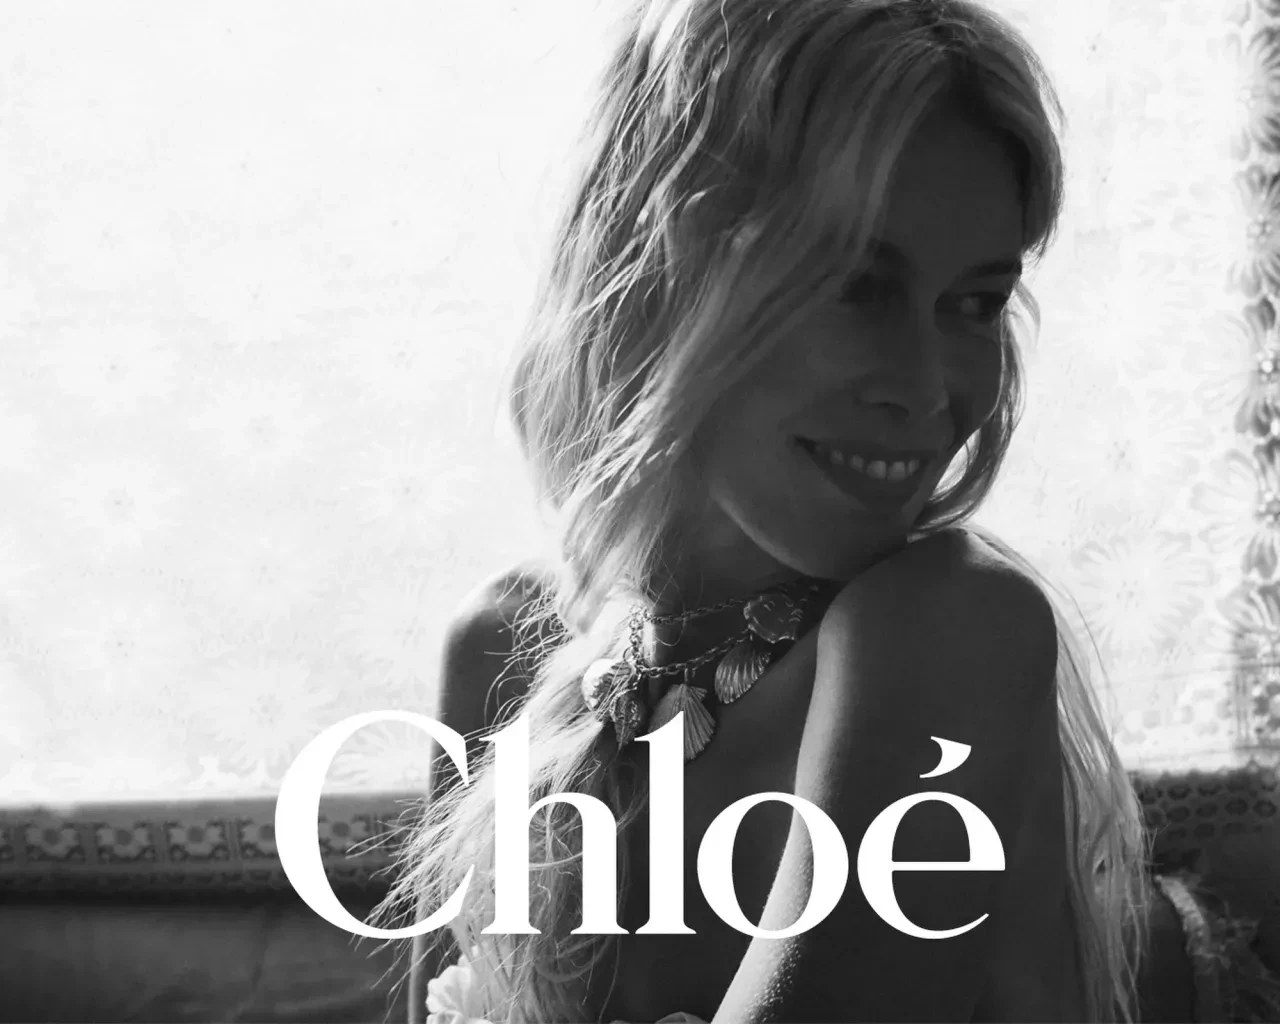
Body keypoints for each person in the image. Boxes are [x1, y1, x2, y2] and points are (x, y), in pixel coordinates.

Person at [378, 0, 1157, 1020]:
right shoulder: (501, 653)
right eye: (856, 284)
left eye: (974, 302)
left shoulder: (945, 626)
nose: (928, 389)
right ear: (658, 270)